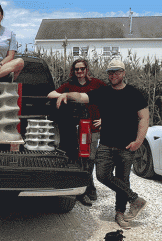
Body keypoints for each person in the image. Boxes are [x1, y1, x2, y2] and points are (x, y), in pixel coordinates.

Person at [56, 59, 149, 229]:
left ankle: (120, 214)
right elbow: (82, 96)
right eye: (110, 72)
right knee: (101, 175)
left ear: (124, 73)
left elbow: (144, 117)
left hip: (127, 146)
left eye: (117, 72)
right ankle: (135, 199)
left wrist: (139, 141)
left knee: (123, 179)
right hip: (106, 144)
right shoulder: (103, 92)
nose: (113, 75)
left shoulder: (134, 93)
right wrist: (66, 94)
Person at [48, 59, 106, 206]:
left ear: (87, 70)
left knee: (90, 159)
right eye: (76, 69)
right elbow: (50, 94)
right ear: (73, 71)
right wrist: (63, 94)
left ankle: (87, 188)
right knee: (76, 158)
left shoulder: (97, 84)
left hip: (92, 128)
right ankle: (83, 190)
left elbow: (112, 99)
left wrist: (106, 119)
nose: (79, 72)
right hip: (74, 129)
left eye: (82, 69)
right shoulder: (69, 85)